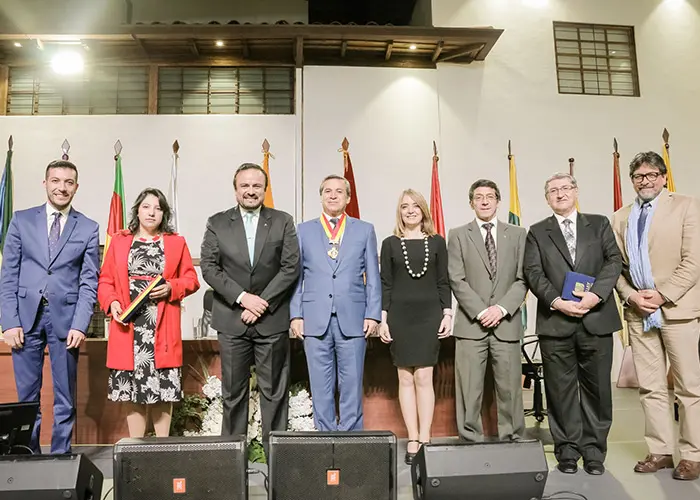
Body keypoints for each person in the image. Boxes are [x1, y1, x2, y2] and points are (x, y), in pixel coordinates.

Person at [523, 173, 622, 476]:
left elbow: (613, 261)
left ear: (576, 191)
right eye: (553, 190)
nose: (560, 194)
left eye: (566, 188)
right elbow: (533, 271)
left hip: (596, 319)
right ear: (547, 198)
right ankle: (567, 450)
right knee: (560, 391)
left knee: (598, 391)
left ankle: (594, 452)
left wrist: (595, 296)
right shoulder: (538, 232)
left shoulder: (600, 223)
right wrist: (556, 301)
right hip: (556, 322)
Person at [0, 160, 99, 454]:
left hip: (66, 322)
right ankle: (28, 456)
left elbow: (88, 282)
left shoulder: (89, 227)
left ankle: (60, 458)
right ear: (45, 184)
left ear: (76, 187)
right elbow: (9, 275)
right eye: (56, 181)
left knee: (65, 396)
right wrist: (9, 322)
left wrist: (80, 324)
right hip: (24, 320)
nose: (62, 187)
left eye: (69, 182)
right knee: (28, 397)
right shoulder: (20, 220)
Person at [612, 151, 700, 481]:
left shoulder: (687, 205)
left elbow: (693, 261)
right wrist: (632, 295)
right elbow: (616, 268)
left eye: (652, 175)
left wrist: (662, 295)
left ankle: (692, 454)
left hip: (677, 310)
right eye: (638, 177)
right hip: (638, 312)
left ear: (664, 177)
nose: (645, 181)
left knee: (689, 386)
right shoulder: (620, 216)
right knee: (650, 387)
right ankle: (660, 451)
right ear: (632, 181)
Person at [200, 163, 299, 454]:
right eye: (245, 185)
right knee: (232, 393)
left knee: (274, 393)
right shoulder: (217, 222)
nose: (251, 191)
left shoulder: (283, 221)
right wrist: (243, 298)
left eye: (257, 185)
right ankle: (231, 460)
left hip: (271, 320)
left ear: (264, 189)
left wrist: (261, 303)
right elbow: (209, 268)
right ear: (235, 190)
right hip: (232, 321)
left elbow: (290, 267)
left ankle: (277, 460)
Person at [98, 188, 199, 437]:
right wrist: (111, 303)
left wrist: (171, 287)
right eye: (146, 206)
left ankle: (161, 450)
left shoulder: (176, 243)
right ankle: (136, 448)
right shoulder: (120, 242)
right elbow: (105, 281)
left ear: (164, 213)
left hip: (161, 327)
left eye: (157, 207)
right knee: (132, 389)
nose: (151, 212)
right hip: (128, 327)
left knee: (163, 389)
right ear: (137, 211)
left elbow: (191, 279)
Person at [290, 174, 381, 431]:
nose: (332, 195)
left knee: (352, 386)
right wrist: (296, 315)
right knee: (320, 388)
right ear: (321, 196)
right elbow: (296, 277)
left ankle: (351, 446)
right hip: (314, 319)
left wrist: (373, 314)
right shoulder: (303, 230)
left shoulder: (364, 229)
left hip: (353, 319)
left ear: (348, 198)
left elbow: (373, 276)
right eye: (327, 191)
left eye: (339, 191)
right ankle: (325, 442)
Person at [447, 179, 527, 444]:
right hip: (472, 325)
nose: (484, 201)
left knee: (510, 390)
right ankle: (470, 440)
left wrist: (501, 309)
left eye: (490, 196)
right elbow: (456, 279)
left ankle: (513, 439)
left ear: (498, 201)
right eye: (478, 197)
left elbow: (523, 278)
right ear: (471, 202)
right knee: (469, 390)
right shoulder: (458, 234)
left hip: (507, 325)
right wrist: (482, 311)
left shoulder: (517, 234)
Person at [379, 189, 452, 464]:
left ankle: (426, 436)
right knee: (405, 378)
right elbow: (385, 283)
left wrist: (447, 314)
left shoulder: (437, 242)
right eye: (404, 207)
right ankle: (412, 437)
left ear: (423, 210)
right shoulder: (389, 244)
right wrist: (383, 319)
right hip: (399, 316)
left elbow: (443, 281)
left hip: (429, 315)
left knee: (424, 377)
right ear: (400, 212)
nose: (410, 211)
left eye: (415, 206)